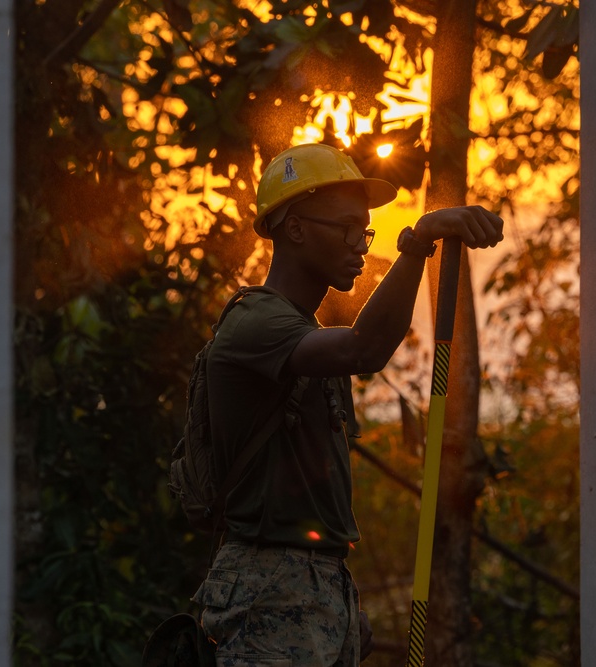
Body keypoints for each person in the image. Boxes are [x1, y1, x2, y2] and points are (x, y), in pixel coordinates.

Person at [191, 143, 503, 666]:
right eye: (348, 228)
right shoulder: (255, 325)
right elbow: (364, 348)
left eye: (367, 231)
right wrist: (418, 244)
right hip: (270, 592)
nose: (362, 244)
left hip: (316, 587)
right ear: (295, 228)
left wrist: (336, 596)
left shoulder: (302, 334)